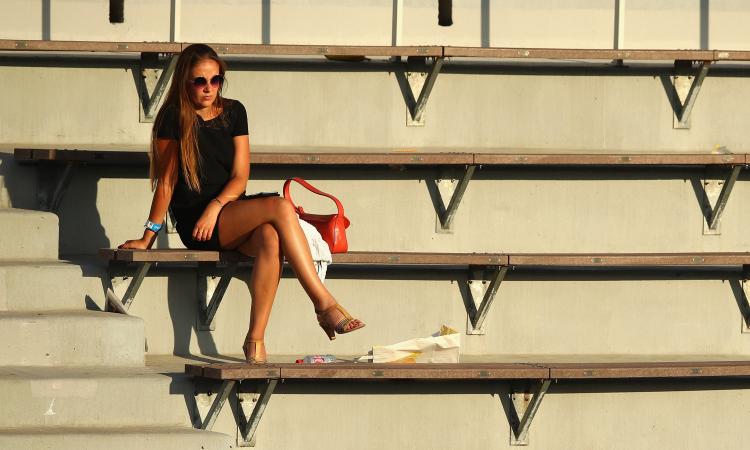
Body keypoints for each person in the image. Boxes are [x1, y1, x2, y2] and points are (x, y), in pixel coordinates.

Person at [118, 44, 364, 363]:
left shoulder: (235, 112)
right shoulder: (173, 118)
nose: (208, 88)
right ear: (184, 82)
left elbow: (240, 177)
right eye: (199, 81)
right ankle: (324, 304)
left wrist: (216, 206)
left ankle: (255, 340)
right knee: (280, 206)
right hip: (197, 222)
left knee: (271, 237)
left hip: (228, 210)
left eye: (215, 80)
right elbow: (165, 183)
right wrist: (148, 236)